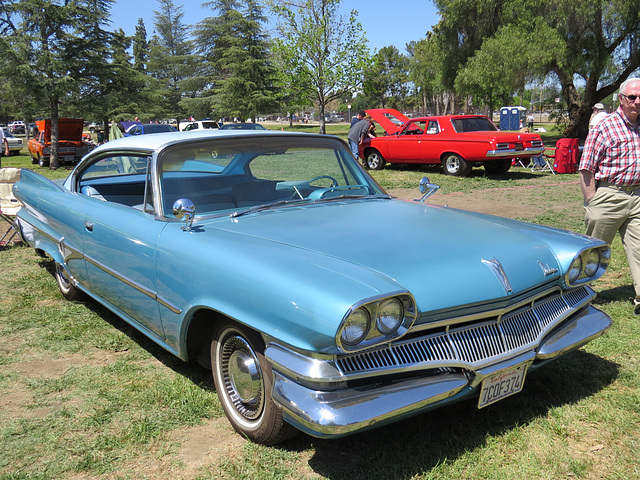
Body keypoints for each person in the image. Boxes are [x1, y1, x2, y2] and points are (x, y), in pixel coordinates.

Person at [579, 78, 640, 314]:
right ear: (622, 99)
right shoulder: (605, 126)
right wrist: (592, 201)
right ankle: (579, 294)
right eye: (632, 97)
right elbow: (586, 168)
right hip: (608, 196)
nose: (636, 101)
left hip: (637, 196)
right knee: (593, 250)